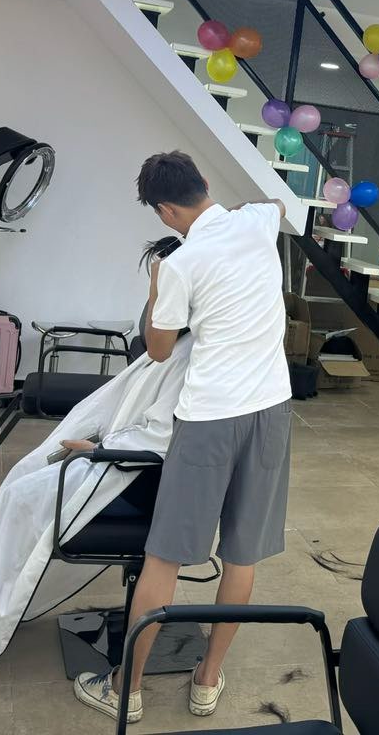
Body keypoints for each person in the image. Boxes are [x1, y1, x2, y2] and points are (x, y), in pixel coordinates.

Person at [0, 238, 192, 692]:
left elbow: (160, 436)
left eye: (157, 293)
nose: (149, 307)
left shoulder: (189, 356)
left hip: (133, 479)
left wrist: (97, 447)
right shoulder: (173, 347)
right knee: (20, 481)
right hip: (120, 463)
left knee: (19, 501)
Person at [75, 151, 291, 726]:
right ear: (204, 184)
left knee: (164, 557)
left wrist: (155, 287)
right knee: (241, 555)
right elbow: (275, 203)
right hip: (271, 409)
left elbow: (159, 348)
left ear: (166, 211)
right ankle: (207, 681)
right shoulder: (256, 222)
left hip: (209, 418)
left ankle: (126, 689)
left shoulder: (180, 264)